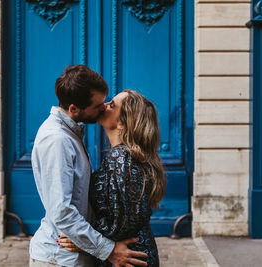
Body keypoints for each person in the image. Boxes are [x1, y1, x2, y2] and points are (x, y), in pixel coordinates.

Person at [29, 65, 148, 267]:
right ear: (74, 109)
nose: (103, 107)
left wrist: (86, 243)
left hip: (73, 256)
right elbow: (62, 212)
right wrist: (107, 249)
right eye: (98, 105)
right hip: (60, 259)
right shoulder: (57, 140)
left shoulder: (71, 134)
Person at [58, 89, 167, 267]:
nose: (104, 105)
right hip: (132, 254)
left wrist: (83, 241)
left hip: (128, 258)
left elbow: (122, 223)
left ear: (123, 123)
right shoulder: (126, 156)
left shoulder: (122, 158)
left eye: (112, 105)